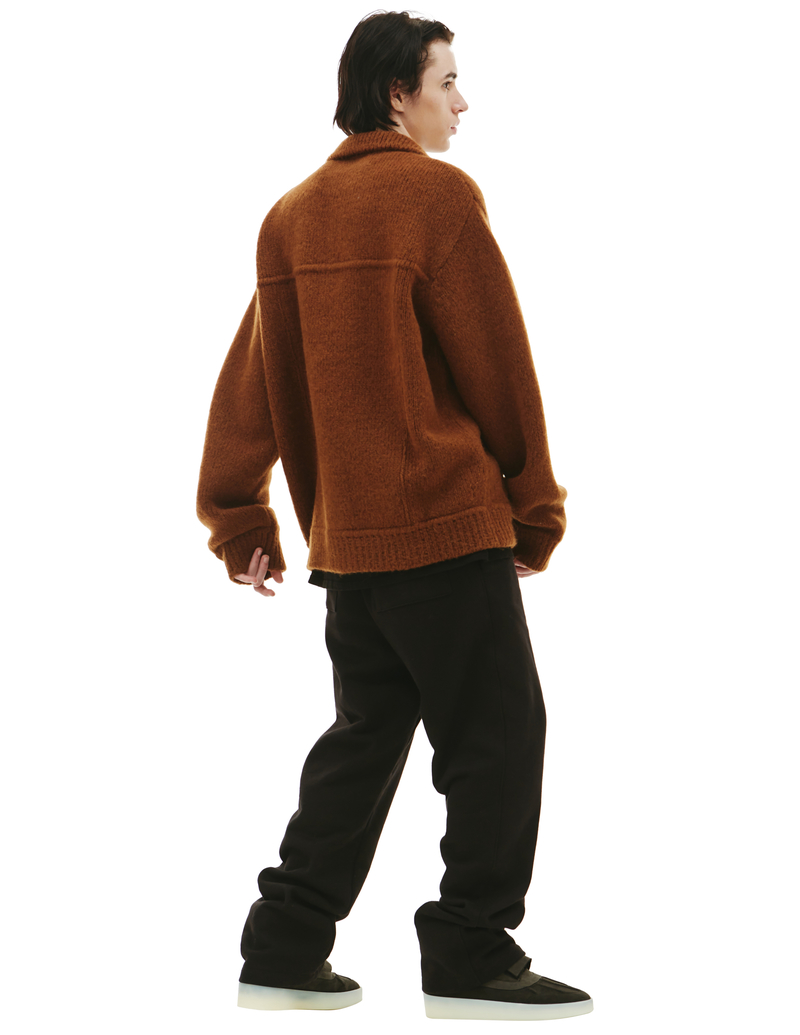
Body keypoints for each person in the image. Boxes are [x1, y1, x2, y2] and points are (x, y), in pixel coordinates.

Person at [196, 9, 593, 1023]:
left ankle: (283, 942)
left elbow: (252, 376)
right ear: (395, 93)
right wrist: (533, 507)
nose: (462, 102)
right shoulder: (436, 197)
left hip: (353, 547)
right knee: (497, 736)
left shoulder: (290, 215)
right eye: (446, 81)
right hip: (443, 528)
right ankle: (471, 947)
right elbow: (497, 364)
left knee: (366, 738)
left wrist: (239, 517)